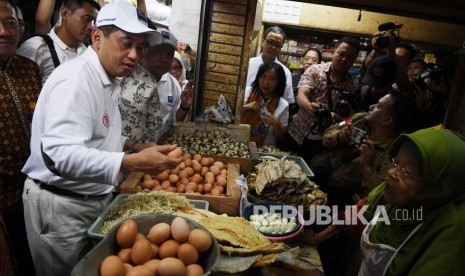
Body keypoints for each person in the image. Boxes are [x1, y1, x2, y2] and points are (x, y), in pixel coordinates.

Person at [21, 2, 182, 275]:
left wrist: (133, 145)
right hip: (61, 207)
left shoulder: (108, 79)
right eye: (125, 43)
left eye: (141, 47)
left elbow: (98, 137)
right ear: (97, 38)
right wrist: (131, 161)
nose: (134, 54)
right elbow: (59, 155)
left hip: (87, 201)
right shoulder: (75, 81)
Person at [357, 128, 465, 275]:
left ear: (435, 189)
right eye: (396, 161)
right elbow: (360, 212)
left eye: (407, 172)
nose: (391, 172)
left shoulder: (451, 233)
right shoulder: (396, 197)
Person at [0, 0, 42, 274]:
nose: (3, 31)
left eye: (10, 23)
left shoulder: (29, 69)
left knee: (29, 263)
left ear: (21, 28)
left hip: (30, 190)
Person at [281, 36, 361, 164]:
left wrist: (337, 118)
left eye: (350, 57)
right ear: (334, 52)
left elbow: (350, 118)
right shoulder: (315, 70)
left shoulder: (353, 84)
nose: (344, 59)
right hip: (298, 133)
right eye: (341, 53)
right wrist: (310, 108)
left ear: (355, 59)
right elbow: (301, 96)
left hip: (326, 142)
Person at [120, 27, 193, 144]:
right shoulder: (126, 77)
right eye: (158, 52)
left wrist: (184, 106)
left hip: (155, 150)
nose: (164, 59)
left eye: (169, 55)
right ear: (145, 51)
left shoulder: (173, 84)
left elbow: (174, 120)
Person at [16, 0, 100, 84]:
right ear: (64, 13)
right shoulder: (36, 48)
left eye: (94, 23)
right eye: (87, 19)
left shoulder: (90, 51)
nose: (91, 27)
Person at [241, 61, 289, 147]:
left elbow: (281, 137)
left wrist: (275, 123)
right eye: (263, 77)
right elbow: (229, 116)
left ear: (279, 82)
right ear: (258, 77)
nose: (266, 83)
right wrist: (245, 107)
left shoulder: (283, 105)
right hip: (238, 145)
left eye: (272, 79)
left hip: (264, 150)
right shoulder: (245, 93)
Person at [246, 26, 294, 105]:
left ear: (281, 48)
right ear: (263, 42)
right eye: (270, 42)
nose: (273, 47)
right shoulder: (248, 64)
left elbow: (286, 101)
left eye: (278, 45)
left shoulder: (285, 73)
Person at [290, 48, 322, 117]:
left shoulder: (321, 81)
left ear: (319, 63)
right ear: (302, 60)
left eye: (314, 60)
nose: (309, 62)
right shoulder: (294, 78)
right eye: (306, 59)